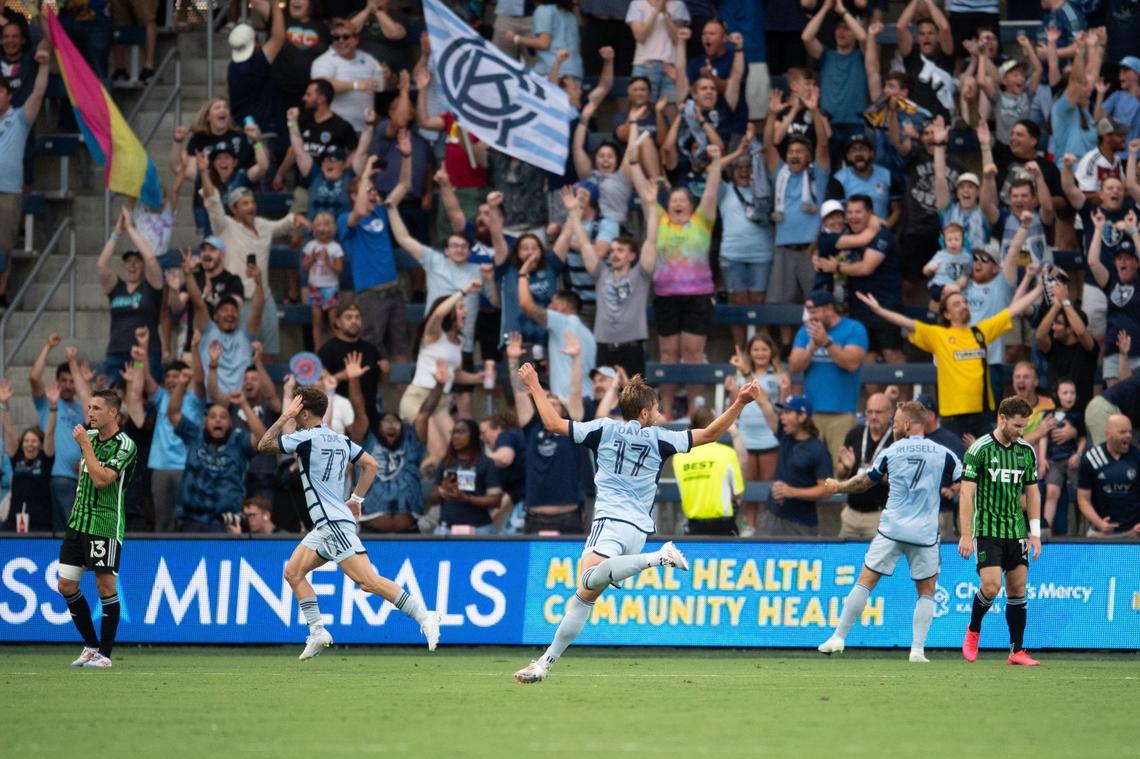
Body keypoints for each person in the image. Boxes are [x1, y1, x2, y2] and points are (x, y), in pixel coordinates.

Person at [512, 368, 762, 684]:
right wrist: (739, 402)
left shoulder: (602, 429)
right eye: (656, 410)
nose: (659, 415)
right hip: (638, 531)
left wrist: (535, 384)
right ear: (644, 412)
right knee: (583, 597)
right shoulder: (662, 438)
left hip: (610, 523)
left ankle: (658, 558)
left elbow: (551, 423)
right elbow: (710, 434)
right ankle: (545, 663)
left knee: (587, 579)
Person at [257, 388, 441, 659]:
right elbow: (371, 464)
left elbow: (264, 444)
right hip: (327, 524)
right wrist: (356, 499)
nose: (295, 416)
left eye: (298, 411)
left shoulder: (305, 438)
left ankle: (425, 616)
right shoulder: (340, 439)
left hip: (332, 524)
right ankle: (318, 630)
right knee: (293, 573)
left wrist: (285, 415)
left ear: (303, 412)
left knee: (368, 582)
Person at [818, 401, 963, 662]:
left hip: (892, 530)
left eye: (895, 422)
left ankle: (838, 637)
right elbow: (965, 480)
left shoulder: (892, 451)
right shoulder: (943, 453)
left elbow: (864, 482)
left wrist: (839, 486)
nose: (893, 426)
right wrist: (953, 491)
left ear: (907, 424)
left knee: (866, 581)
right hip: (925, 534)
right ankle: (917, 650)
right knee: (927, 590)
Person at [855, 283, 1042, 440]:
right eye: (956, 304)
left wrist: (1040, 288)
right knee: (955, 470)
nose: (963, 306)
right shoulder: (939, 336)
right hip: (953, 417)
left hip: (982, 414)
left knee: (987, 469)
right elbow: (907, 323)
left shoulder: (980, 332)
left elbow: (1012, 311)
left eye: (963, 302)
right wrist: (879, 310)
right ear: (946, 314)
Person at [56, 390, 138, 669]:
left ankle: (105, 654)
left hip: (105, 523)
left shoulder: (125, 445)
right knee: (65, 585)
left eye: (97, 408)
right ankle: (90, 645)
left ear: (113, 413)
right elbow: (85, 474)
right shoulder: (88, 438)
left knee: (105, 587)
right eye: (89, 407)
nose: (90, 413)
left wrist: (85, 447)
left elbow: (103, 479)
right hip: (78, 522)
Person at [958, 397, 1043, 666]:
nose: (1022, 431)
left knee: (1018, 589)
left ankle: (1017, 650)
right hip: (987, 529)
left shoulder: (1026, 452)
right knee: (992, 587)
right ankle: (973, 630)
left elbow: (1032, 492)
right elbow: (966, 493)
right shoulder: (979, 450)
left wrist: (1035, 533)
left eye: (1025, 426)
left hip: (1016, 530)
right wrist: (965, 533)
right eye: (1018, 425)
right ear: (1002, 418)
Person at [168, 362, 266, 532]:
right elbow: (173, 413)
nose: (218, 420)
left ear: (230, 422)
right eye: (213, 416)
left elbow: (262, 437)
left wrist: (243, 404)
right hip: (190, 519)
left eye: (223, 417)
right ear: (205, 420)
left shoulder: (239, 441)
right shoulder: (194, 435)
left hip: (225, 523)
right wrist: (182, 385)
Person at [349, 353, 440, 534]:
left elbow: (425, 413)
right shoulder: (365, 442)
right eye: (386, 423)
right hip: (370, 530)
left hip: (410, 530)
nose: (392, 427)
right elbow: (360, 412)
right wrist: (353, 380)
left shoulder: (412, 442)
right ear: (378, 427)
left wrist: (440, 385)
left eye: (396, 423)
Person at [788, 289, 867, 463]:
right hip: (811, 413)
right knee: (809, 467)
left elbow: (851, 363)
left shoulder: (854, 328)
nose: (809, 317)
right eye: (808, 312)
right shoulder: (805, 331)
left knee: (841, 468)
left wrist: (827, 343)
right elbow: (794, 366)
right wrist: (810, 349)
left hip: (842, 413)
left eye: (814, 311)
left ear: (829, 309)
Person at [0, 44, 48, 304]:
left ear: (8, 95)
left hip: (8, 191)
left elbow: (38, 93)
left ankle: (1, 292)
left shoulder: (19, 118)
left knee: (3, 247)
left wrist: (43, 66)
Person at [726, 334, 786, 536]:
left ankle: (766, 526)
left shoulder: (778, 376)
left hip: (770, 437)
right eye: (756, 349)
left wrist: (785, 391)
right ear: (749, 352)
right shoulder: (739, 375)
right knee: (748, 485)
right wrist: (732, 389)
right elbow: (735, 405)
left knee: (768, 486)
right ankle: (749, 527)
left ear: (771, 352)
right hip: (746, 437)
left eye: (764, 349)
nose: (760, 353)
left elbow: (782, 407)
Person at [96, 207, 164, 379]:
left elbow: (151, 259)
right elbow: (101, 266)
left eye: (136, 262)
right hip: (116, 354)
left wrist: (132, 229)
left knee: (144, 399)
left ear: (143, 267)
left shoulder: (151, 286)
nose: (132, 265)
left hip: (144, 354)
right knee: (105, 399)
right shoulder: (116, 288)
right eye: (128, 262)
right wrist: (117, 232)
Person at [28, 335, 86, 532]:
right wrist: (47, 346)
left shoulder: (81, 408)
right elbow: (34, 378)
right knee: (75, 532)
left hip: (80, 479)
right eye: (64, 381)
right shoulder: (48, 401)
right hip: (58, 475)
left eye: (72, 381)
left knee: (67, 533)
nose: (69, 385)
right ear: (56, 382)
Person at [759, 394, 834, 536]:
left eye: (787, 413)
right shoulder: (785, 436)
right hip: (772, 516)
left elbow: (827, 490)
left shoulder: (817, 449)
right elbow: (764, 404)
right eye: (782, 412)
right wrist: (747, 376)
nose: (782, 417)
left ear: (802, 416)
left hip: (799, 525)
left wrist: (792, 492)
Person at [673, 407, 748, 535]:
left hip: (693, 529)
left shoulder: (678, 457)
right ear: (716, 424)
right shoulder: (727, 453)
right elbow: (738, 493)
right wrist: (735, 434)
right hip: (723, 529)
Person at [833, 393, 893, 539]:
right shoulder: (855, 434)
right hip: (851, 512)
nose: (873, 416)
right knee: (844, 557)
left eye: (878, 412)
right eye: (870, 412)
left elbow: (903, 483)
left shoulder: (896, 440)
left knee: (874, 561)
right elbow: (840, 475)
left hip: (878, 515)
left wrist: (879, 475)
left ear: (890, 413)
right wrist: (846, 468)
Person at [310, 19, 385, 134]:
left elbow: (384, 86)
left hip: (366, 129)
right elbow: (322, 87)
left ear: (356, 39)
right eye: (336, 37)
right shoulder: (324, 60)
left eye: (345, 37)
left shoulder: (368, 58)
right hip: (336, 130)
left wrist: (388, 76)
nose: (341, 41)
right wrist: (357, 85)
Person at [430, 419, 503, 534]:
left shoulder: (486, 463)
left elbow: (496, 500)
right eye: (453, 432)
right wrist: (442, 491)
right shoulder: (446, 462)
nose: (455, 436)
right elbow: (432, 499)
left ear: (474, 435)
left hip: (478, 529)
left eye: (461, 432)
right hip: (446, 530)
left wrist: (467, 499)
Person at [1035, 281, 1099, 412]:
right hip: (1053, 412)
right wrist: (1056, 306)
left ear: (1070, 329)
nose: (1053, 327)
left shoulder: (1087, 347)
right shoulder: (1053, 346)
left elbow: (1081, 332)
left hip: (1081, 413)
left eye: (1058, 323)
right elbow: (1040, 336)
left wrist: (1065, 301)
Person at [0, 379, 54, 531]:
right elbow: (9, 432)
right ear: (22, 444)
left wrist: (53, 408)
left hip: (40, 523)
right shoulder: (16, 459)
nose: (30, 444)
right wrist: (5, 405)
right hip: (14, 520)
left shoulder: (45, 460)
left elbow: (49, 434)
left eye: (34, 441)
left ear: (40, 444)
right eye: (26, 441)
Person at [1076, 414, 1140, 537]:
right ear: (1108, 434)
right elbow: (1083, 499)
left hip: (1133, 533)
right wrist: (1099, 523)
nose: (1128, 436)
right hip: (1100, 533)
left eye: (1130, 432)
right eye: (1122, 432)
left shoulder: (1137, 456)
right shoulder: (1091, 458)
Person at [915, 393, 966, 539]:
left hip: (941, 510)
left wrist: (953, 488)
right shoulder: (911, 438)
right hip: (915, 509)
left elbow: (967, 472)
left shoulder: (949, 440)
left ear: (931, 415)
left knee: (942, 555)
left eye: (920, 412)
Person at [1040, 379, 1086, 536]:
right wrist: (1042, 458)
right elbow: (1043, 436)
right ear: (1056, 395)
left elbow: (1082, 438)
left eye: (1072, 393)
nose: (1069, 396)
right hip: (1053, 460)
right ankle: (1045, 529)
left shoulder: (1077, 415)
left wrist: (1078, 454)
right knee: (1052, 492)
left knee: (1081, 492)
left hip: (1072, 459)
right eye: (1065, 393)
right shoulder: (1048, 414)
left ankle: (1085, 529)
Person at [301, 211, 345, 347]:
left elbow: (339, 271)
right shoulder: (310, 246)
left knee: (333, 321)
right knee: (317, 321)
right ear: (314, 228)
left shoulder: (335, 247)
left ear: (332, 228)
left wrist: (328, 261)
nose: (322, 228)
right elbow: (304, 267)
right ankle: (318, 350)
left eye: (326, 225)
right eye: (319, 225)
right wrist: (311, 258)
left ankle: (338, 348)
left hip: (331, 287)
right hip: (315, 287)